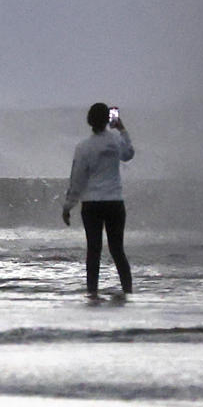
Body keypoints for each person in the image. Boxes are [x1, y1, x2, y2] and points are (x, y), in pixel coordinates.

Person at [61, 101, 134, 299]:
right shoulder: (115, 141)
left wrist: (68, 206)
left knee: (93, 250)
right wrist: (122, 129)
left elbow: (77, 179)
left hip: (92, 204)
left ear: (89, 121)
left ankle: (92, 292)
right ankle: (128, 291)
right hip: (114, 202)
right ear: (108, 120)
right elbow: (129, 154)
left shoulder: (83, 147)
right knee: (117, 250)